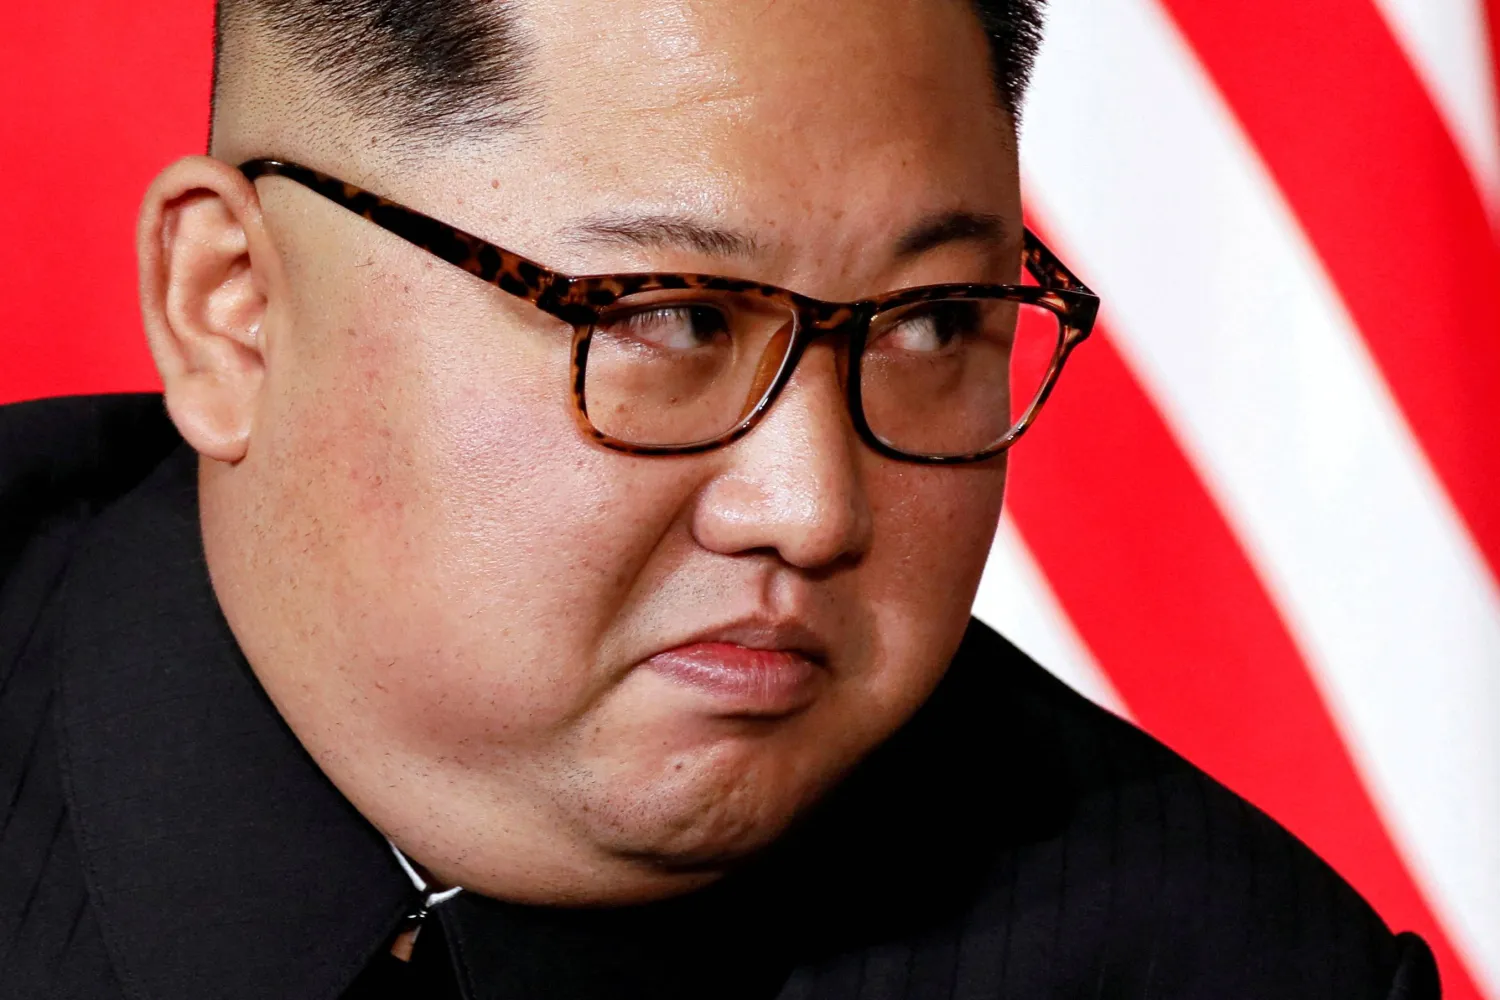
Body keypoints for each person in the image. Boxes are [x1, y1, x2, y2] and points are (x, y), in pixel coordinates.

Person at [0, 0, 1440, 997]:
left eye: (934, 322)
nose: (814, 510)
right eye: (669, 317)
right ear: (234, 312)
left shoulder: (1229, 965)